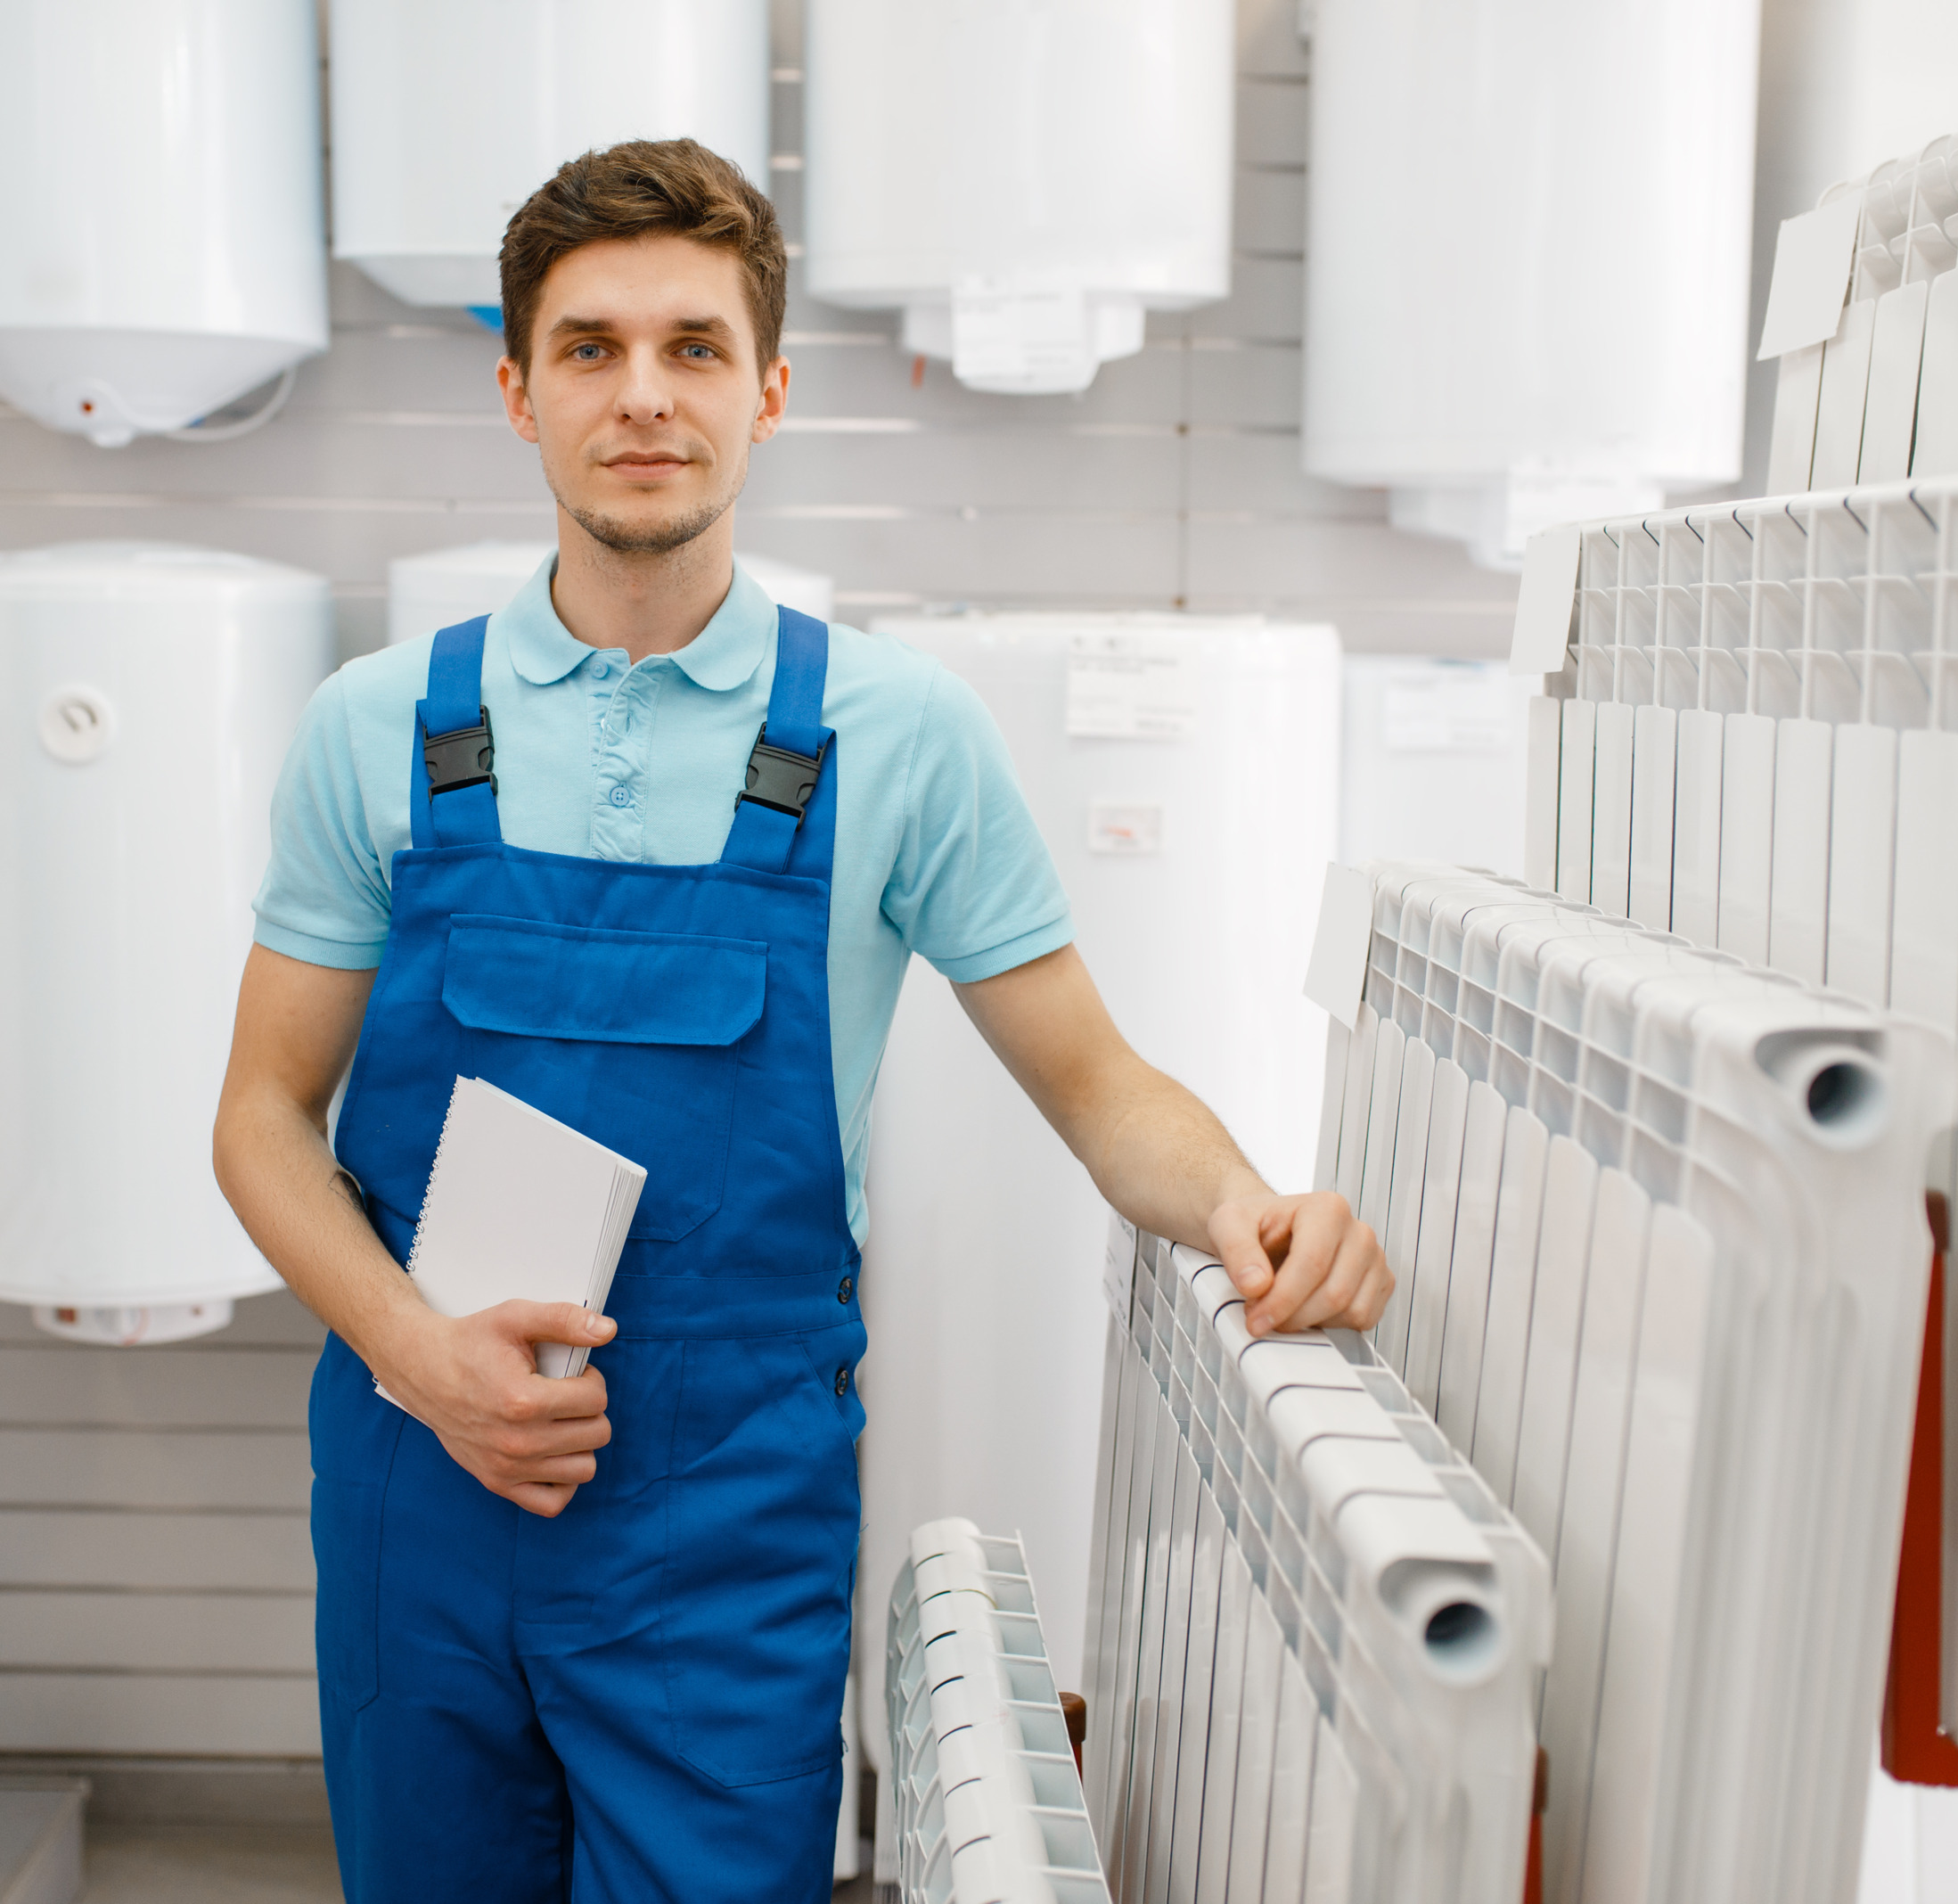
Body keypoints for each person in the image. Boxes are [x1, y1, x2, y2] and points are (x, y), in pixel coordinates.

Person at [213, 137, 1389, 1904]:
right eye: (592, 348)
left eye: (692, 348)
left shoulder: (897, 740)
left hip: (720, 1522)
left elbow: (1097, 1083)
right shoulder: (374, 729)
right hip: (419, 1483)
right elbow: (259, 1118)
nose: (642, 396)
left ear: (764, 394)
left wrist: (1245, 1204)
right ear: (517, 390)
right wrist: (412, 1349)